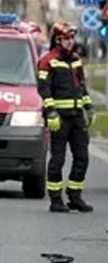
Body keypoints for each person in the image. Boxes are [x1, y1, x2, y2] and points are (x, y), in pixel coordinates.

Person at [38, 20, 93, 213]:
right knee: (58, 160)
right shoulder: (48, 60)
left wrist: (89, 107)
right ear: (57, 39)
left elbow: (82, 86)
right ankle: (55, 200)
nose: (70, 41)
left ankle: (74, 196)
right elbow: (43, 89)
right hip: (59, 118)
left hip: (77, 117)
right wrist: (51, 111)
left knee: (82, 158)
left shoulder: (76, 60)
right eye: (67, 38)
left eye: (72, 38)